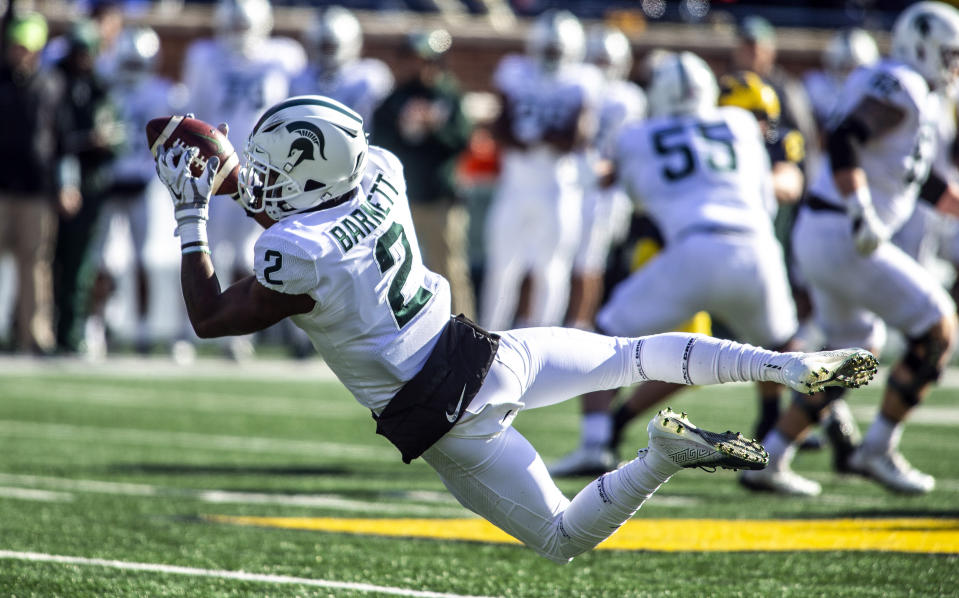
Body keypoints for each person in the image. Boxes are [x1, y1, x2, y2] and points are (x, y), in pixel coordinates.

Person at [153, 94, 877, 563]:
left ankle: (660, 455)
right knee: (631, 354)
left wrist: (192, 217)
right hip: (488, 350)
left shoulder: (295, 252)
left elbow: (212, 317)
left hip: (443, 415)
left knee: (562, 538)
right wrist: (242, 183)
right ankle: (782, 365)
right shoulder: (380, 169)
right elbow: (310, 207)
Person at [741, 1, 959, 496]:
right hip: (845, 229)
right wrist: (860, 208)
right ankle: (877, 447)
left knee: (854, 354)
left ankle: (770, 456)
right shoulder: (900, 82)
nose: (953, 66)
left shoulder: (913, 91)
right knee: (938, 326)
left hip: (829, 230)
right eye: (949, 54)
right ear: (922, 45)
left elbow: (919, 182)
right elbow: (845, 138)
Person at [549, 52, 803, 477]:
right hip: (756, 248)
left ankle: (596, 441)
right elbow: (765, 192)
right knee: (790, 353)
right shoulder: (741, 125)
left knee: (601, 341)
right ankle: (779, 451)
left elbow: (620, 185)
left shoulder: (636, 136)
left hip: (690, 250)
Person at [181, 0, 305, 359]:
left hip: (265, 170)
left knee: (252, 248)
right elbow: (197, 113)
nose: (239, 35)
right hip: (215, 167)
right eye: (233, 26)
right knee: (206, 246)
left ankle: (240, 332)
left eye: (244, 26)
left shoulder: (284, 56)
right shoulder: (204, 57)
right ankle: (192, 327)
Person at [480, 9, 602, 330]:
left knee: (552, 270)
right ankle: (488, 337)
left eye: (556, 51)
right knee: (501, 270)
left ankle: (543, 344)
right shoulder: (515, 70)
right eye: (548, 49)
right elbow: (500, 126)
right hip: (515, 188)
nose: (551, 56)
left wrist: (538, 135)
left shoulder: (583, 79)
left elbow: (578, 137)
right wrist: (530, 138)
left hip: (558, 190)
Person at [372, 29, 475, 317]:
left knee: (450, 269)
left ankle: (465, 331)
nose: (413, 65)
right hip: (402, 198)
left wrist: (434, 127)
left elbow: (463, 140)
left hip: (440, 197)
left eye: (420, 59)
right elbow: (379, 143)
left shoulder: (449, 95)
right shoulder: (394, 98)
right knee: (397, 270)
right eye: (409, 58)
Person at [566, 24, 646, 330]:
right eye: (599, 61)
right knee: (562, 263)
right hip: (573, 183)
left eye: (608, 61)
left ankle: (580, 326)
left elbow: (629, 148)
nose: (603, 68)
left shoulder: (628, 98)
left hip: (604, 192)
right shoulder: (578, 85)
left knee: (589, 263)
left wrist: (609, 170)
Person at [52, 19, 124, 355]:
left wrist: (107, 141)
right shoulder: (56, 84)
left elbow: (118, 139)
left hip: (92, 185)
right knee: (52, 260)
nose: (83, 58)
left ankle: (73, 330)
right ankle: (52, 328)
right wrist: (85, 142)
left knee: (82, 263)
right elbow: (54, 138)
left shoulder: (101, 88)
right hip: (53, 184)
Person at [0, 12, 70, 355]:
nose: (20, 54)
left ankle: (34, 334)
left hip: (36, 189)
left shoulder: (51, 85)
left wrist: (66, 184)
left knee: (36, 264)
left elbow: (62, 141)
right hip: (2, 185)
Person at [290, 5, 393, 128]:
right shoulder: (300, 77)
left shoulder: (369, 75)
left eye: (330, 47)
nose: (327, 52)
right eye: (324, 47)